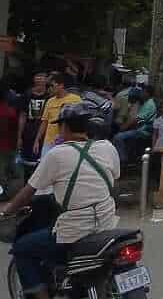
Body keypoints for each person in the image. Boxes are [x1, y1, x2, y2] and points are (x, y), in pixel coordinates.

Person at [0, 102, 121, 299]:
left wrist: (7, 211)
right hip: (107, 225)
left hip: (75, 231)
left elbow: (28, 192)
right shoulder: (107, 148)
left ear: (64, 127)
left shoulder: (56, 154)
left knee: (22, 247)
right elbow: (112, 179)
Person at [34, 73, 80, 156]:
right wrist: (37, 140)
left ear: (61, 85)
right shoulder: (50, 101)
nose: (50, 88)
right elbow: (44, 122)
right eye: (49, 86)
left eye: (52, 85)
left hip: (67, 141)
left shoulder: (75, 99)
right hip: (49, 142)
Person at [112, 85, 156, 164]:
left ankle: (123, 160)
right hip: (139, 129)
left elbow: (135, 120)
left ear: (148, 93)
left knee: (117, 137)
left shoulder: (149, 104)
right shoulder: (144, 103)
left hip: (143, 131)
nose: (141, 93)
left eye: (143, 92)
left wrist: (123, 128)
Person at [17, 73, 48, 171]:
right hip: (29, 131)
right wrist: (19, 136)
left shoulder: (50, 96)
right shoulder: (27, 95)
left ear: (46, 81)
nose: (39, 82)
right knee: (27, 160)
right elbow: (23, 115)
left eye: (41, 79)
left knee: (41, 161)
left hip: (45, 132)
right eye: (37, 80)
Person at [0, 90, 19, 198]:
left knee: (2, 171)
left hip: (3, 145)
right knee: (6, 169)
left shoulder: (6, 112)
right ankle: (6, 191)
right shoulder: (11, 111)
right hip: (10, 145)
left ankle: (4, 193)